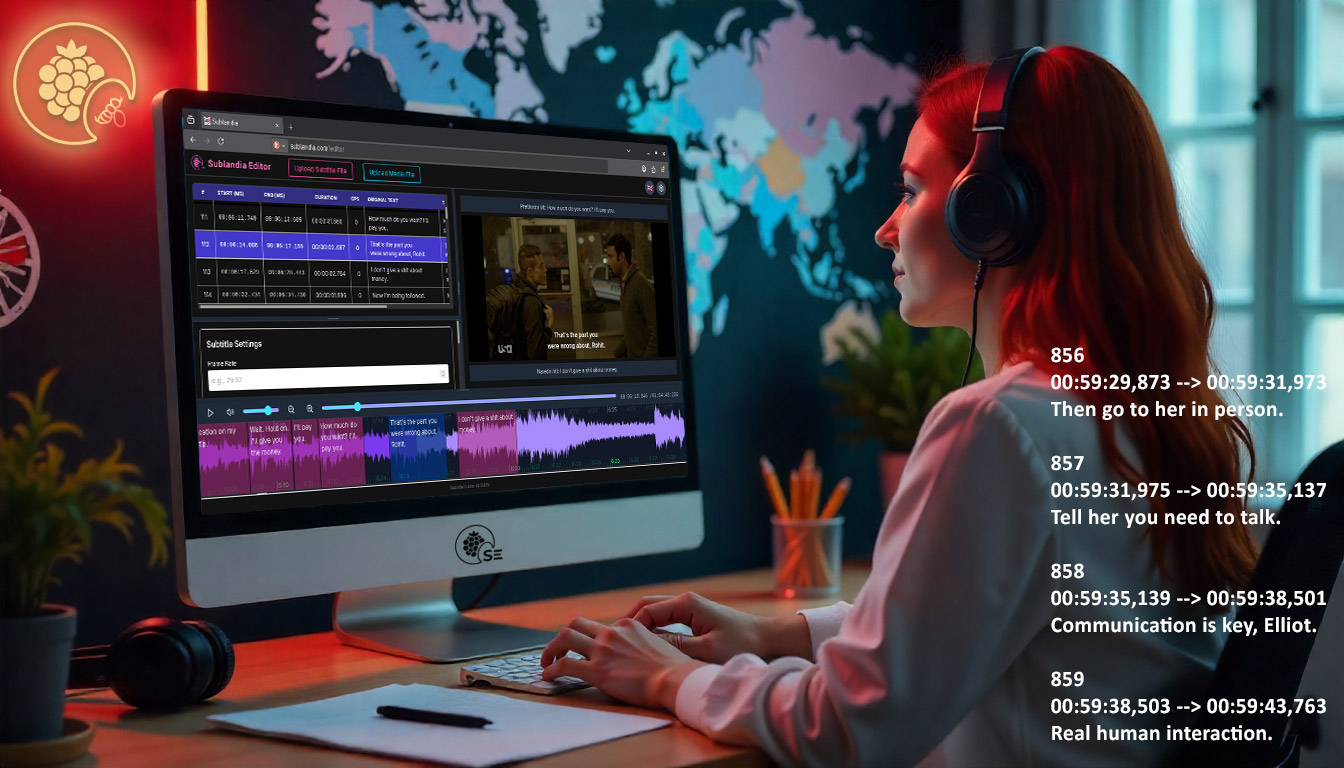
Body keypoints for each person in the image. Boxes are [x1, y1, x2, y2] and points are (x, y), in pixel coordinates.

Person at [538, 46, 1260, 767]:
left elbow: (850, 728)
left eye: (912, 190)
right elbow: (979, 620)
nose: (886, 227)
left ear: (994, 213)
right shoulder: (1150, 417)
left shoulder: (998, 425)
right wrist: (776, 635)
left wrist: (669, 676)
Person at [486, 243, 553, 360]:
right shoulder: (531, 302)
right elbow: (536, 354)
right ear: (530, 272)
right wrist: (550, 326)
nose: (545, 270)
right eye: (541, 266)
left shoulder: (516, 290)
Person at [606, 233, 658, 358]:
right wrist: (615, 354)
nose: (607, 262)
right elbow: (631, 332)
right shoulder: (625, 284)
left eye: (610, 257)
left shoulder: (640, 284)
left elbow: (656, 333)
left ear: (622, 257)